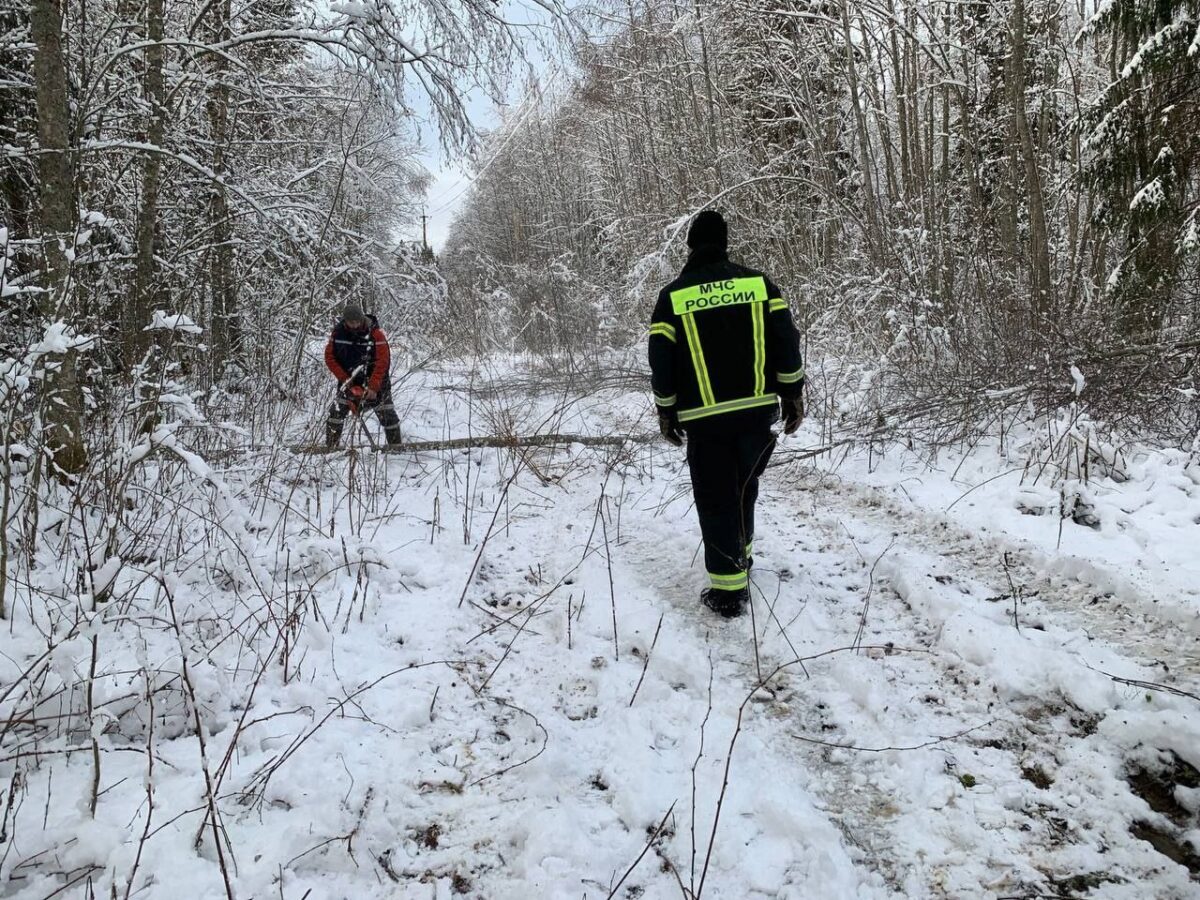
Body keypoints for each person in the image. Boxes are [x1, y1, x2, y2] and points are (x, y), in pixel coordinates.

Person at [648, 210, 805, 617]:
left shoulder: (673, 296)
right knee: (743, 488)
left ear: (690, 246)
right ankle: (741, 557)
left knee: (716, 497)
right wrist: (792, 395)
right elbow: (786, 340)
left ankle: (729, 591)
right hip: (756, 413)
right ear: (725, 242)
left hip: (705, 420)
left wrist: (666, 411)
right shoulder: (759, 284)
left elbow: (661, 359)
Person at [324, 303, 403, 448]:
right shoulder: (338, 334)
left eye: (357, 322)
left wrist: (373, 387)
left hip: (376, 382)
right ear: (345, 321)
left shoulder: (376, 334)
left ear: (362, 319)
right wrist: (346, 381)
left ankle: (396, 449)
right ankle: (330, 449)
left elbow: (383, 361)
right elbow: (330, 358)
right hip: (349, 382)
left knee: (387, 415)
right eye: (351, 322)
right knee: (335, 415)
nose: (355, 325)